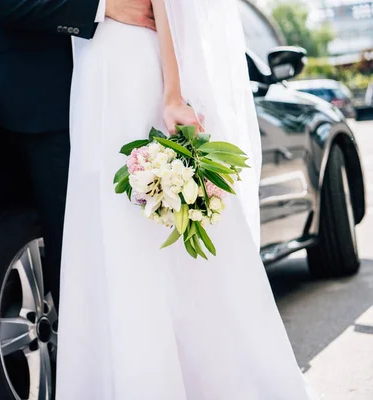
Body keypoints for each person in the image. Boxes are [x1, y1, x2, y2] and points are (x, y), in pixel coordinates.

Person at [56, 0, 320, 399]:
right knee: (120, 227)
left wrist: (173, 92)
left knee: (137, 227)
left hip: (127, 62)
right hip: (101, 63)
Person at [0, 0, 154, 307]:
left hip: (129, 98)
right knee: (78, 256)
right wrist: (100, 6)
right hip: (44, 99)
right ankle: (81, 349)